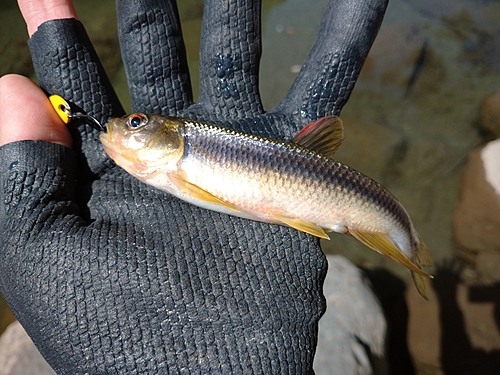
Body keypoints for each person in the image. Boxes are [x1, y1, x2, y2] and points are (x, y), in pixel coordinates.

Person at [0, 0, 388, 373]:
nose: (124, 125)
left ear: (171, 136)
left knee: (389, 228)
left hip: (345, 197)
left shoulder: (186, 145)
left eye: (136, 122)